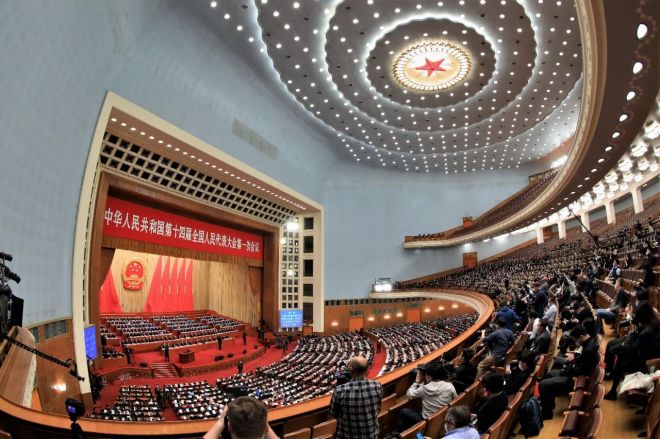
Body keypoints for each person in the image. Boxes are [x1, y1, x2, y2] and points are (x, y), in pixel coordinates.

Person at [538, 324, 599, 419]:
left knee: (543, 385)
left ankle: (547, 414)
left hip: (575, 379)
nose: (575, 342)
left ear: (581, 336)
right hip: (572, 371)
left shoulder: (588, 349)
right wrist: (575, 357)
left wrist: (572, 360)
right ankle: (549, 404)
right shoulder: (590, 341)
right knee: (549, 374)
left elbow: (580, 370)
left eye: (576, 339)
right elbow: (582, 361)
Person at [604, 301, 660, 400]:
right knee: (619, 353)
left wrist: (626, 345)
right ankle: (612, 389)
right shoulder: (653, 323)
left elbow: (634, 349)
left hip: (646, 362)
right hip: (647, 355)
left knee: (620, 360)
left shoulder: (647, 331)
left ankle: (612, 390)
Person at [329, 355, 383, 439]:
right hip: (371, 435)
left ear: (350, 369)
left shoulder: (340, 390)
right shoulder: (377, 386)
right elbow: (378, 409)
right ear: (368, 369)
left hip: (347, 436)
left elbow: (333, 413)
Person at [399, 363, 456, 430]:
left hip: (427, 421)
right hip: (442, 418)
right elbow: (455, 400)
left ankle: (407, 431)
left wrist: (416, 382)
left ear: (428, 376)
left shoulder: (424, 389)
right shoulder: (450, 386)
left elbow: (409, 393)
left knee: (404, 411)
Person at [203, 396, 278, 439]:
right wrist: (262, 420)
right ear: (266, 428)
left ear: (229, 428)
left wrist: (221, 421)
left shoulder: (226, 425)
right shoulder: (265, 427)